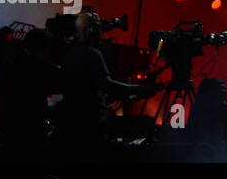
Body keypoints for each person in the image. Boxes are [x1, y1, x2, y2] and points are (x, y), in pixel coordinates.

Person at [56, 11, 154, 146]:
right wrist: (140, 89)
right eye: (99, 28)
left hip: (70, 120)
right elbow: (107, 85)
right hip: (90, 122)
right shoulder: (93, 54)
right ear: (92, 31)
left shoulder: (69, 52)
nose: (101, 32)